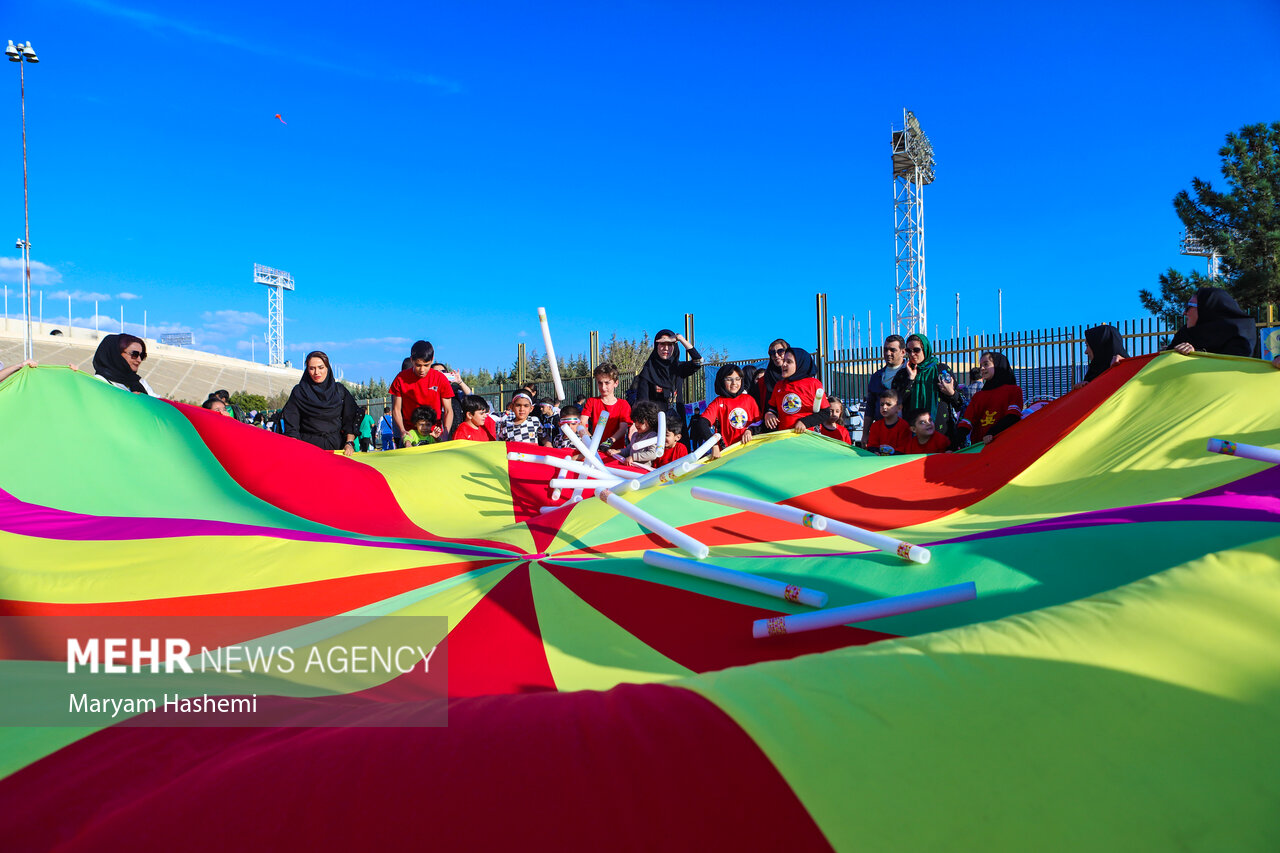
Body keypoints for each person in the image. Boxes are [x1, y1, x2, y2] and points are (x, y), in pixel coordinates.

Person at [281, 350, 358, 456]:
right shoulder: (299, 392)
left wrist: (349, 443)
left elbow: (350, 419)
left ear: (327, 367)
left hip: (336, 450)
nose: (317, 372)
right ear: (307, 370)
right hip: (307, 451)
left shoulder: (339, 391)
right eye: (312, 368)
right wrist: (296, 449)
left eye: (321, 367)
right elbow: (292, 425)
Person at [632, 329, 703, 441]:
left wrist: (681, 339)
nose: (666, 348)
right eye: (662, 344)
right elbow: (642, 403)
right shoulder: (647, 372)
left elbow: (698, 361)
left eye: (670, 344)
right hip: (656, 428)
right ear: (656, 346)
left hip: (677, 426)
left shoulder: (679, 368)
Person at [892, 333, 964, 442]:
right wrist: (911, 380)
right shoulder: (903, 374)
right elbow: (896, 403)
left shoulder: (941, 370)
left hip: (941, 434)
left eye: (916, 350)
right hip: (912, 436)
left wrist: (951, 393)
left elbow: (960, 403)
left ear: (925, 349)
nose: (912, 354)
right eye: (908, 351)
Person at [390, 341, 455, 447]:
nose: (422, 370)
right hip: (410, 436)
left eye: (426, 365)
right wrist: (402, 431)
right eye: (418, 365)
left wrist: (445, 433)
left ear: (432, 360)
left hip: (434, 435)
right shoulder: (400, 379)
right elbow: (396, 410)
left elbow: (448, 410)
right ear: (412, 360)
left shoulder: (440, 379)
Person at [955, 351, 1023, 447]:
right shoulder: (978, 396)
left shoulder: (1014, 390)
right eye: (981, 365)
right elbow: (967, 422)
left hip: (1005, 444)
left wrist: (992, 432)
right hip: (980, 447)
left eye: (986, 364)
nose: (982, 368)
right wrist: (955, 443)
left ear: (998, 365)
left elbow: (1013, 417)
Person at [693, 364, 760, 458]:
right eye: (729, 379)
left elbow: (759, 423)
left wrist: (750, 430)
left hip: (749, 452)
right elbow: (702, 423)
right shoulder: (718, 402)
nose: (734, 383)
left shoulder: (749, 400)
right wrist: (713, 445)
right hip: (726, 455)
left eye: (738, 379)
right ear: (721, 381)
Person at [1167, 287, 1256, 357]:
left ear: (1206, 309)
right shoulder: (1184, 334)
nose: (1184, 312)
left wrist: (1196, 354)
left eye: (1188, 307)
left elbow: (1232, 367)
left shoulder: (1240, 335)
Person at [763, 348, 827, 432]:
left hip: (807, 435)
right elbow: (773, 408)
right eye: (784, 361)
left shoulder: (813, 384)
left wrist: (805, 422)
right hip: (784, 435)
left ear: (800, 364)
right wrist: (769, 414)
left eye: (789, 362)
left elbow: (825, 412)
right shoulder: (779, 385)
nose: (783, 364)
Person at [581, 362, 632, 450]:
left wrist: (610, 441)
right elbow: (582, 422)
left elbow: (623, 428)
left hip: (615, 451)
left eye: (607, 383)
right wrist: (591, 440)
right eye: (600, 383)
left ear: (616, 383)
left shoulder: (623, 404)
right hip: (595, 450)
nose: (603, 387)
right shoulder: (591, 401)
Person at [92, 333, 158, 396]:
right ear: (116, 354)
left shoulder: (140, 382)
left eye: (142, 355)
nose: (139, 360)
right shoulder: (99, 382)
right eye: (134, 354)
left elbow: (158, 402)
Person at [863, 335, 907, 426]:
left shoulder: (911, 373)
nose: (888, 353)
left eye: (892, 350)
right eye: (885, 349)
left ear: (903, 352)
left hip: (906, 431)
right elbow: (870, 407)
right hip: (882, 431)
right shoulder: (876, 377)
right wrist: (865, 433)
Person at [1074, 325, 1130, 390]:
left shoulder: (1131, 372)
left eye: (1087, 346)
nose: (1085, 352)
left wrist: (1127, 366)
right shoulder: (1092, 374)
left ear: (1100, 347)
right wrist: (1079, 391)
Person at [610, 400, 663, 469]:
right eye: (635, 421)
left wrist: (633, 457)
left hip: (643, 470)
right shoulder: (635, 435)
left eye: (641, 422)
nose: (637, 424)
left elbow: (653, 454)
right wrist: (617, 451)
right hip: (631, 468)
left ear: (650, 421)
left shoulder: (652, 436)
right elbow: (629, 449)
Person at [433, 362, 472, 438]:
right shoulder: (428, 391)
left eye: (443, 372)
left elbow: (471, 397)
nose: (440, 374)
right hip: (436, 436)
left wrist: (460, 382)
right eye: (436, 372)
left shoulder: (456, 391)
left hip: (456, 435)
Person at [864, 390, 909, 455]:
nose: (884, 407)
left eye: (888, 404)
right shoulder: (875, 426)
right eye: (882, 405)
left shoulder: (904, 426)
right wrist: (875, 452)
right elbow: (872, 446)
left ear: (899, 408)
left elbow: (903, 449)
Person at [752, 338, 791, 413]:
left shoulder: (798, 379)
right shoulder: (763, 382)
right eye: (772, 353)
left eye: (780, 351)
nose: (776, 355)